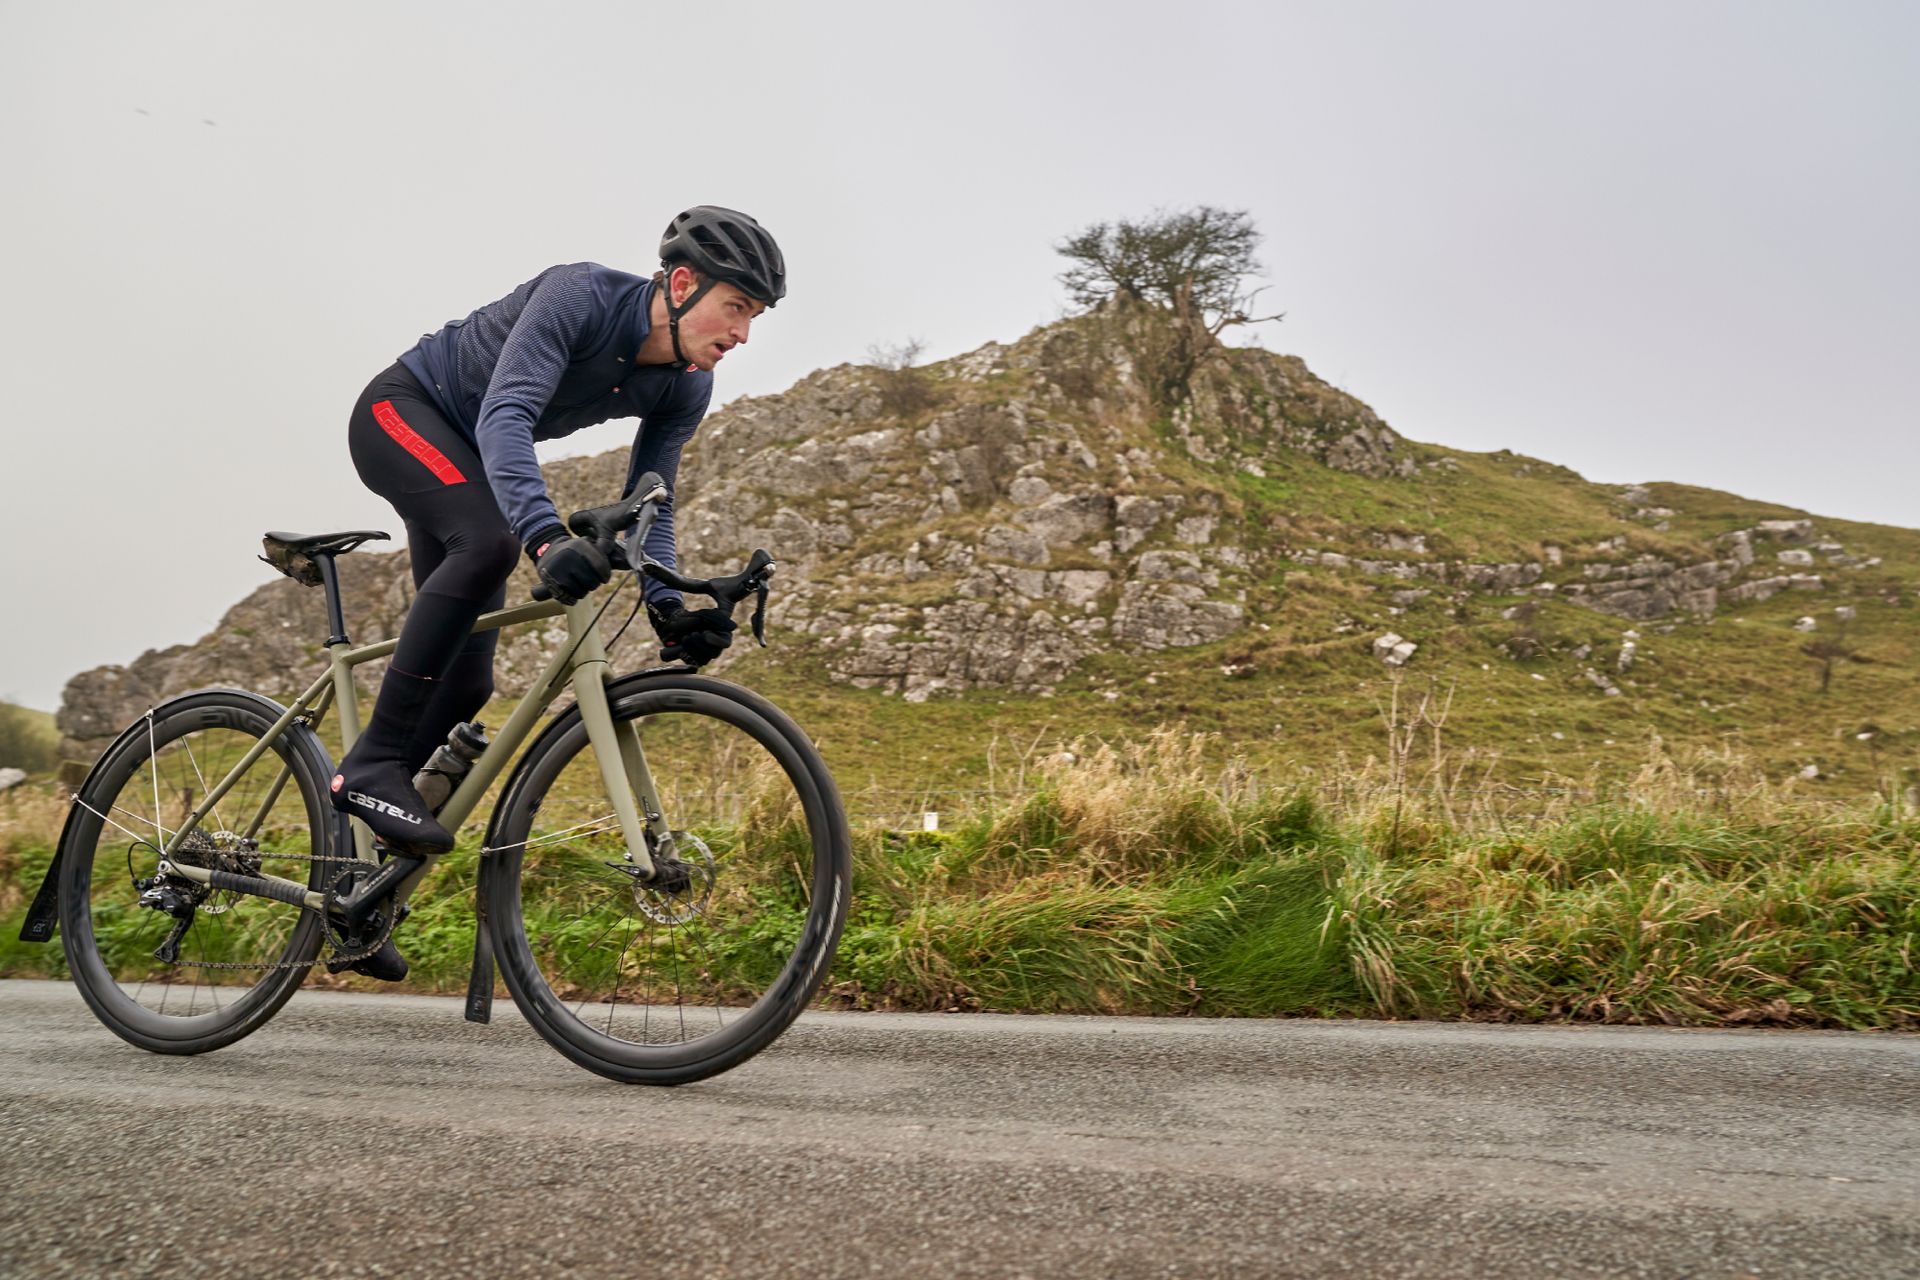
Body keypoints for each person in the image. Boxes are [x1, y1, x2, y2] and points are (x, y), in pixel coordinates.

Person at [329, 206, 784, 975]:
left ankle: (358, 893)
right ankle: (369, 766)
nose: (742, 333)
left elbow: (651, 502)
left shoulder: (686, 385)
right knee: (492, 544)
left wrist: (669, 608)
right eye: (736, 306)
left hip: (468, 459)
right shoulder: (578, 296)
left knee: (467, 684)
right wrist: (545, 537)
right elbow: (506, 416)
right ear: (681, 284)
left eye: (755, 316)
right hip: (403, 412)